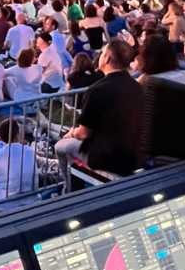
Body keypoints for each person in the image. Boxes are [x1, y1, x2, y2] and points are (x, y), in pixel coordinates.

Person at [55, 39, 143, 185]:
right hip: (133, 153)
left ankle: (68, 190)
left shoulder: (97, 90)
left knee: (61, 146)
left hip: (107, 156)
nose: (100, 56)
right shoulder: (137, 86)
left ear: (107, 58)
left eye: (102, 53)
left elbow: (84, 133)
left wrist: (72, 133)